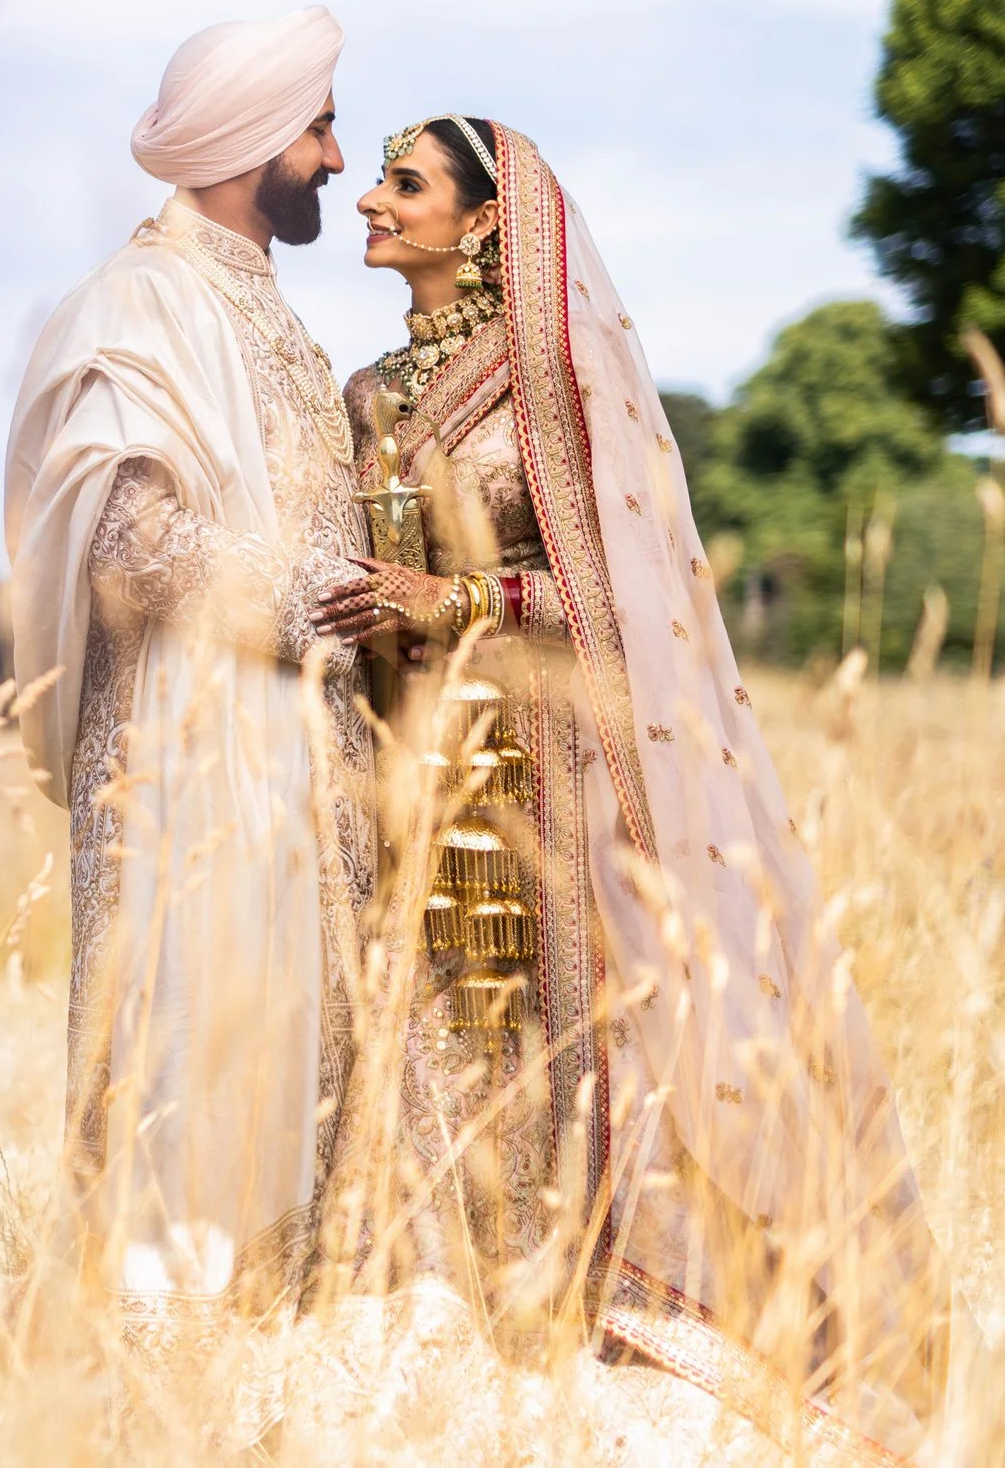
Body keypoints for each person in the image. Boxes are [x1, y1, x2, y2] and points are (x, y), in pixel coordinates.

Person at [310, 116, 947, 1458]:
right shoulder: (366, 393)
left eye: (405, 182)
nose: (369, 197)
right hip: (404, 753)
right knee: (423, 1004)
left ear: (484, 223)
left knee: (562, 1008)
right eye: (370, 172)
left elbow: (624, 593)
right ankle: (449, 1280)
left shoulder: (546, 375)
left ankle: (596, 1280)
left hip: (545, 750)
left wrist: (457, 596)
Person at [2, 7, 372, 1376]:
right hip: (187, 741)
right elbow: (119, 535)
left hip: (304, 738)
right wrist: (295, 602)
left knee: (296, 1028)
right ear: (247, 144)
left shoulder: (263, 302)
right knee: (188, 1022)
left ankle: (271, 1337)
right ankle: (166, 1353)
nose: (337, 158)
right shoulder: (136, 302)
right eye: (319, 127)